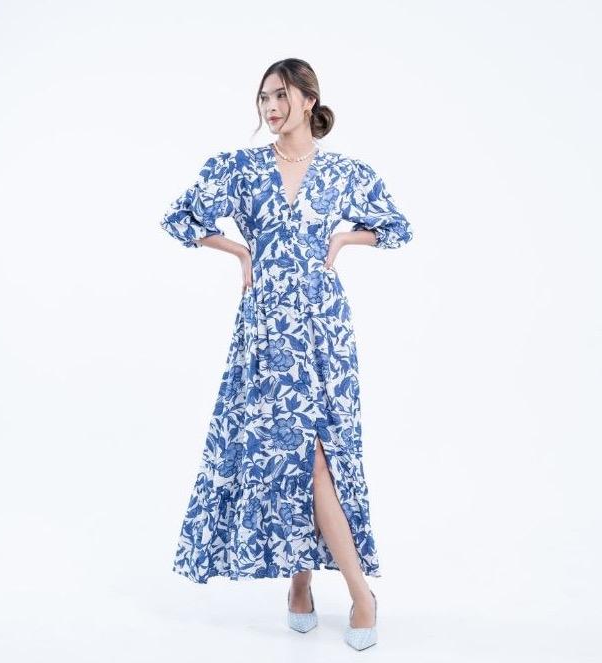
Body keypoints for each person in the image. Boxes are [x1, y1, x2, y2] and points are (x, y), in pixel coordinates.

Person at [160, 58, 413, 650]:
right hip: (266, 330)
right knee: (287, 457)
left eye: (280, 96)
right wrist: (241, 253)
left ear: (308, 99)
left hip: (324, 329)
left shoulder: (345, 173)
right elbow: (179, 218)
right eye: (263, 98)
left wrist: (345, 237)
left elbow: (398, 227)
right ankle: (312, 585)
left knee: (321, 456)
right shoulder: (240, 168)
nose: (271, 108)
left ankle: (352, 592)